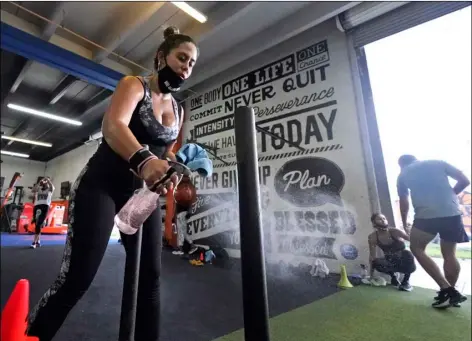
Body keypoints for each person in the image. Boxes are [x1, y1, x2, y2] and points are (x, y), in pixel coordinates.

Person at [26, 26, 198, 341]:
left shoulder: (179, 108)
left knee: (151, 278)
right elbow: (113, 125)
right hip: (102, 185)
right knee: (76, 279)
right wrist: (146, 161)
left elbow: (169, 149)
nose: (186, 67)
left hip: (140, 198)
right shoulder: (134, 85)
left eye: (191, 63)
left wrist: (174, 165)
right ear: (161, 56)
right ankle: (32, 335)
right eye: (181, 58)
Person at [397, 154, 470, 308]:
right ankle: (451, 292)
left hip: (426, 216)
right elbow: (465, 180)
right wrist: (451, 195)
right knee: (449, 254)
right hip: (451, 213)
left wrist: (405, 224)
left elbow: (404, 202)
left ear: (401, 165)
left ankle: (447, 289)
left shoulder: (403, 174)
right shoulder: (439, 162)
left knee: (416, 248)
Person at [367, 213, 416, 291]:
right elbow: (372, 256)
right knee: (375, 262)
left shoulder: (395, 231)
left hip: (402, 259)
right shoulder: (372, 237)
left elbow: (411, 239)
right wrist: (371, 275)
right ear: (374, 223)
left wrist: (409, 230)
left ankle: (405, 282)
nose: (383, 220)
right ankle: (393, 277)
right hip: (390, 261)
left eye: (384, 218)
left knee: (407, 253)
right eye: (379, 219)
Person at [30, 177, 55, 249]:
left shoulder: (50, 191)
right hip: (37, 207)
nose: (44, 184)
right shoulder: (38, 190)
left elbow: (52, 187)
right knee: (37, 225)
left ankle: (34, 242)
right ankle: (38, 241)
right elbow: (33, 190)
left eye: (46, 183)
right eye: (43, 183)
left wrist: (48, 180)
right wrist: (39, 182)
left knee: (38, 224)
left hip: (45, 207)